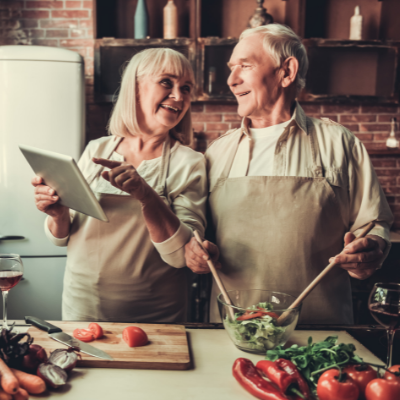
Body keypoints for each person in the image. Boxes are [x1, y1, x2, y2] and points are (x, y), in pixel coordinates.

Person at [184, 24, 393, 324]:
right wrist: (194, 251)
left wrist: (371, 250)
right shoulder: (217, 153)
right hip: (234, 332)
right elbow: (195, 229)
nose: (232, 80)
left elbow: (374, 224)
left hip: (322, 333)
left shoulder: (340, 143)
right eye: (232, 68)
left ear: (287, 72)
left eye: (245, 65)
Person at [32, 48, 207, 323]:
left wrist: (146, 195)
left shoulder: (189, 162)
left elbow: (181, 255)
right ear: (135, 88)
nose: (179, 96)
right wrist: (57, 213)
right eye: (166, 82)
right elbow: (62, 236)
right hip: (81, 305)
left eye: (186, 88)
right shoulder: (97, 148)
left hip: (154, 314)